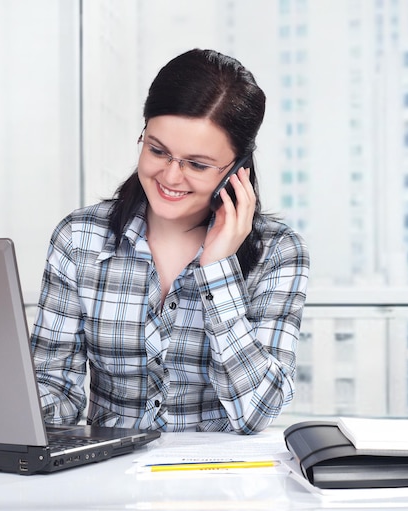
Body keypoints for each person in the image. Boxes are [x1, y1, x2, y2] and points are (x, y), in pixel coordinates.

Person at [30, 49, 310, 434]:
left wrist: (218, 269)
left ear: (238, 169)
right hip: (112, 480)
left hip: (222, 482)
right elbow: (56, 393)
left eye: (197, 164)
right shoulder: (79, 239)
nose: (171, 176)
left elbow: (257, 413)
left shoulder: (279, 252)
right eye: (157, 150)